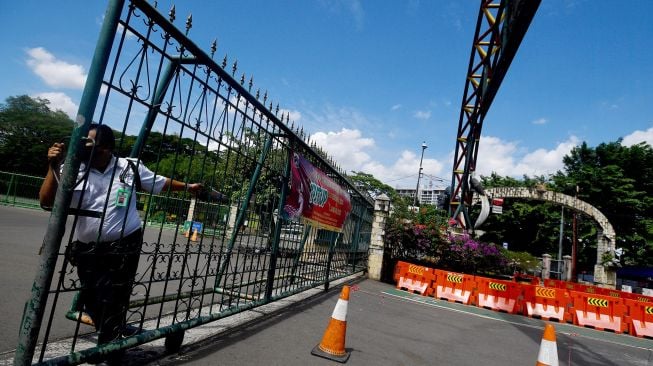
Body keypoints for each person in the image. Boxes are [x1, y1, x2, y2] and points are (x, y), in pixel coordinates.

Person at [39, 123, 202, 364]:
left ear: (106, 148)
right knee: (93, 301)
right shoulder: (73, 168)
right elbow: (46, 201)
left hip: (125, 244)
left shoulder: (128, 167)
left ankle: (110, 352)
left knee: (115, 299)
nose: (84, 149)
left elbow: (161, 182)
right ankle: (110, 341)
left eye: (89, 144)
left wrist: (188, 187)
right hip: (88, 249)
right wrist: (52, 165)